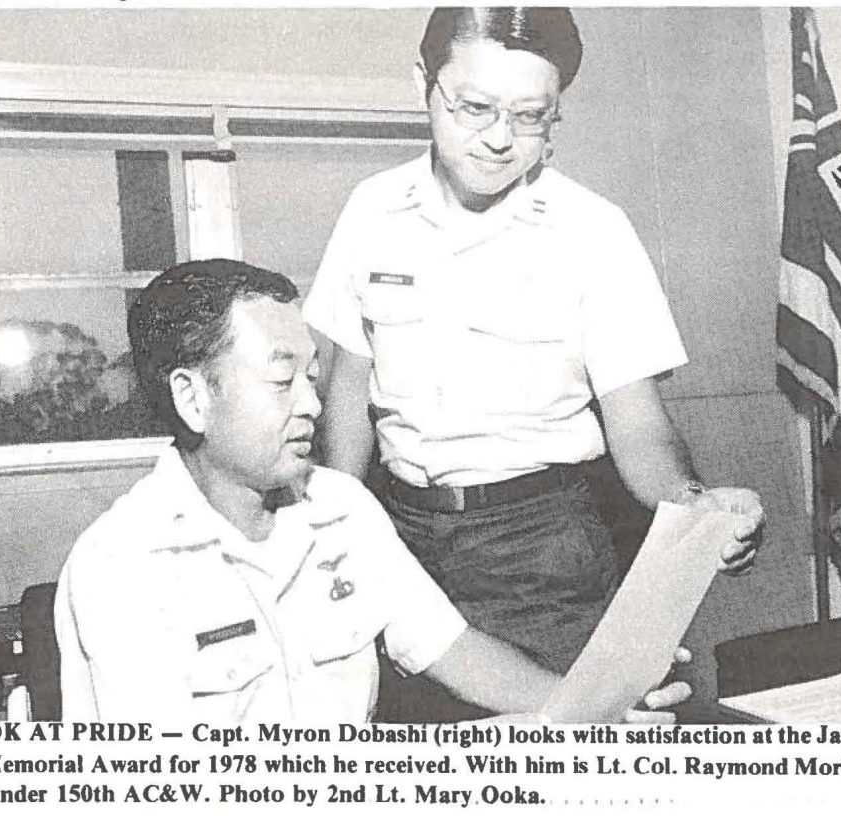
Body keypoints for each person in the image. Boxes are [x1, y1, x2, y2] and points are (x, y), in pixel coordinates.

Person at [303, 7, 765, 720]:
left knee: (576, 750)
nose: (497, 138)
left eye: (529, 117)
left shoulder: (593, 230)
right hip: (396, 536)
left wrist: (695, 506)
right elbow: (346, 396)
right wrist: (329, 534)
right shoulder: (371, 210)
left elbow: (638, 426)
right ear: (422, 84)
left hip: (540, 548)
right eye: (475, 107)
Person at [54, 259, 692, 724]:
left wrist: (592, 709)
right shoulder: (121, 563)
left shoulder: (341, 508)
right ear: (191, 397)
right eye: (283, 382)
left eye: (312, 376)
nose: (314, 403)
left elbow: (451, 648)